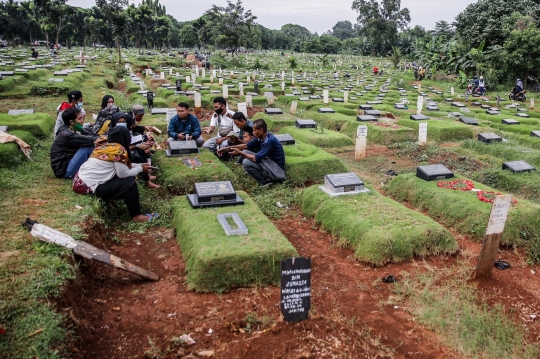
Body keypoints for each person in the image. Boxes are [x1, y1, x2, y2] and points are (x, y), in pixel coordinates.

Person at [73, 126, 158, 223]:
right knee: (129, 183)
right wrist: (140, 169)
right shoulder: (118, 151)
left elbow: (121, 166)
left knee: (121, 178)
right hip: (88, 186)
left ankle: (111, 203)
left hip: (80, 181)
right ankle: (137, 217)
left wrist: (139, 165)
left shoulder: (107, 146)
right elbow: (123, 174)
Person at [218, 119, 285, 188]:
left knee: (246, 162)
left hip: (276, 169)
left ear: (261, 130)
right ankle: (261, 173)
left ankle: (265, 182)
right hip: (268, 161)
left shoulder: (270, 141)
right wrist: (227, 148)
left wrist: (239, 152)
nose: (252, 132)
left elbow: (256, 158)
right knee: (245, 151)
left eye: (254, 130)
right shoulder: (261, 137)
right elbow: (246, 145)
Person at [50, 108, 102, 179]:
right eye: (80, 119)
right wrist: (104, 138)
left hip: (68, 163)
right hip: (64, 171)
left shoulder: (70, 129)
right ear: (72, 122)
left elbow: (89, 134)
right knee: (89, 146)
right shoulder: (67, 135)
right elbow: (90, 140)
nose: (82, 121)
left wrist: (101, 136)